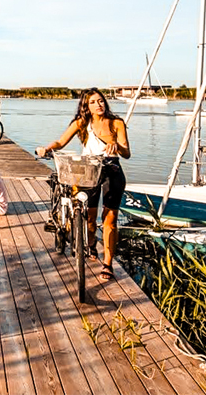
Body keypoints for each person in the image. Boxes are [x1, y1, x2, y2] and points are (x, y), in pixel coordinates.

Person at [35, 88, 130, 280]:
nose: (98, 105)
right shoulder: (81, 122)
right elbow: (61, 142)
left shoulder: (117, 123)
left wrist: (117, 147)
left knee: (110, 218)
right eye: (93, 102)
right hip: (89, 169)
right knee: (89, 217)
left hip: (112, 168)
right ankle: (92, 242)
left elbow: (127, 153)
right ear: (86, 106)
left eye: (101, 101)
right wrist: (46, 149)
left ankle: (108, 264)